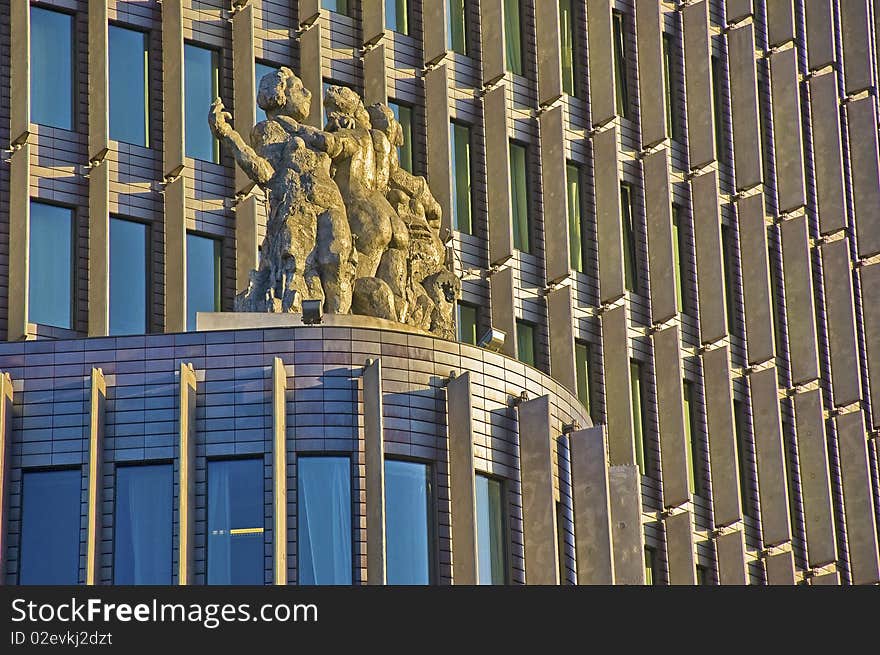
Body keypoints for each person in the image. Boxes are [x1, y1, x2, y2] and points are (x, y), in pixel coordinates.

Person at [208, 67, 356, 314]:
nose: (308, 93)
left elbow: (346, 150)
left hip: (330, 201)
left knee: (338, 258)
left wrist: (347, 125)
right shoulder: (268, 130)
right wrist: (228, 136)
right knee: (299, 267)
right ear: (281, 96)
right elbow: (265, 173)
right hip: (297, 209)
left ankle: (340, 325)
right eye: (299, 88)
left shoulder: (314, 132)